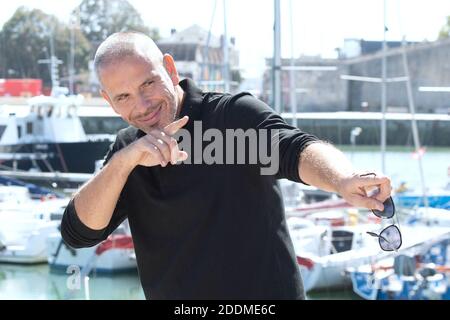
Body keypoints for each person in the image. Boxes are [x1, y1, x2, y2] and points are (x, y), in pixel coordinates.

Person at [61, 32, 392, 300]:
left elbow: (295, 150)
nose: (142, 105)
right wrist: (124, 162)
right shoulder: (127, 151)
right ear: (108, 101)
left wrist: (343, 179)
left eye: (148, 83)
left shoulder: (230, 119)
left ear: (170, 70)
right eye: (124, 97)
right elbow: (79, 233)